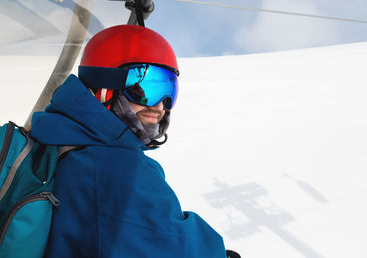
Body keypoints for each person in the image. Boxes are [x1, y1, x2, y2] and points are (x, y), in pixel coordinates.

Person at [30, 25, 228, 257]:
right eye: (145, 87)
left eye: (168, 90)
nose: (160, 105)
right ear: (104, 87)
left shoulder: (60, 140)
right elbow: (174, 246)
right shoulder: (114, 165)